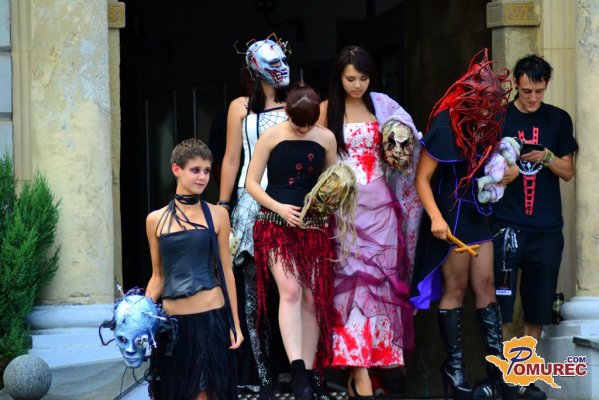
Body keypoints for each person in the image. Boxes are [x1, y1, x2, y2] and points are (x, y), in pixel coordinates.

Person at [409, 49, 517, 400]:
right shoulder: (444, 124)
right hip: (451, 213)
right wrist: (436, 218)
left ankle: (498, 372)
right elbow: (422, 179)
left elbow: (499, 162)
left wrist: (509, 173)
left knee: (486, 284)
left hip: (477, 212)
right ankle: (454, 372)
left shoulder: (490, 124)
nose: (489, 111)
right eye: (484, 103)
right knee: (454, 287)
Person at [317, 45, 421, 399]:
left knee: (382, 287)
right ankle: (358, 370)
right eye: (350, 78)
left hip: (381, 206)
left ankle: (371, 366)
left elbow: (410, 143)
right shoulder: (326, 110)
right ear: (339, 78)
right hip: (344, 210)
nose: (357, 85)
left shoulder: (383, 106)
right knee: (349, 285)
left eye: (363, 78)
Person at [491, 55, 578, 400]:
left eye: (539, 91)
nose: (532, 98)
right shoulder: (499, 118)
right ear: (516, 84)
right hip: (505, 225)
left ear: (546, 86)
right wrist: (503, 172)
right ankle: (503, 377)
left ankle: (523, 378)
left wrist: (546, 156)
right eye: (527, 91)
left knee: (538, 306)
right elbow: (479, 170)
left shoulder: (558, 118)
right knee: (501, 305)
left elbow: (568, 171)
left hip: (545, 228)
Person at [246, 83, 338, 400]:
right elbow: (252, 184)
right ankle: (297, 370)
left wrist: (328, 204)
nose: (304, 129)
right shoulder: (271, 136)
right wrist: (279, 208)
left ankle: (310, 374)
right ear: (287, 112)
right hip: (275, 224)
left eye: (310, 124)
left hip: (313, 227)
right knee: (291, 290)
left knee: (312, 298)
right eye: (299, 124)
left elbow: (331, 183)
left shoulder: (326, 138)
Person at [218, 35, 289, 399]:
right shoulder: (239, 107)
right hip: (248, 205)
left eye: (283, 60)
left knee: (293, 292)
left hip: (289, 202)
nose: (281, 68)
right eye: (272, 63)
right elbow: (232, 158)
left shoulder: (297, 105)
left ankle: (301, 373)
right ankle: (263, 378)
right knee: (252, 294)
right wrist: (222, 205)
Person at [145, 138, 243, 400]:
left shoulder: (218, 214)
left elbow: (226, 270)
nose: (202, 177)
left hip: (211, 319)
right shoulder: (154, 220)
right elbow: (158, 276)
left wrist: (235, 323)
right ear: (176, 169)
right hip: (174, 326)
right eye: (195, 170)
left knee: (206, 394)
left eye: (207, 171)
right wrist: (139, 316)